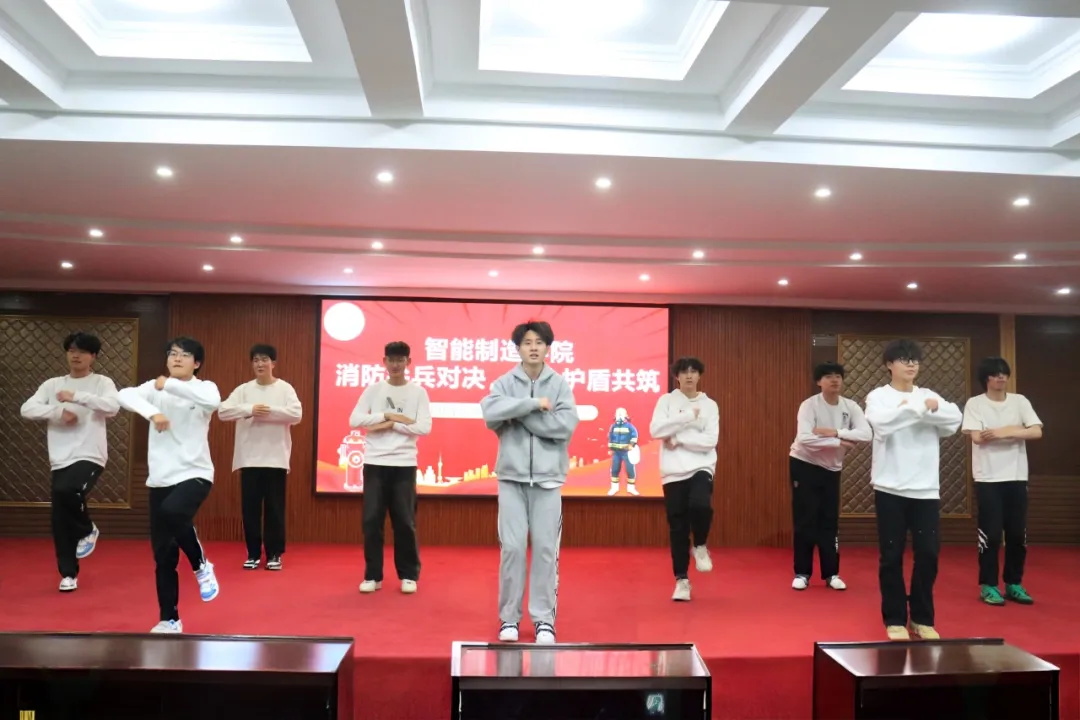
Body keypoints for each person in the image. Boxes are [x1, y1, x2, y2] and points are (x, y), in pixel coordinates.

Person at [480, 321, 579, 644]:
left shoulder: (560, 385)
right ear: (518, 348)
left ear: (547, 347)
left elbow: (563, 427)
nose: (533, 347)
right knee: (512, 549)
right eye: (527, 342)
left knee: (546, 551)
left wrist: (518, 415)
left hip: (548, 481)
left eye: (539, 342)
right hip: (511, 478)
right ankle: (509, 619)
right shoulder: (504, 383)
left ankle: (543, 621)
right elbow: (490, 412)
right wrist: (533, 405)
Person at [117, 336, 221, 634]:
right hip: (160, 478)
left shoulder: (205, 388)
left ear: (196, 363)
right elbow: (123, 395)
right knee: (163, 554)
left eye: (184, 355)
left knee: (174, 511)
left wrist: (170, 385)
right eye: (173, 354)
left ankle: (201, 565)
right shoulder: (154, 388)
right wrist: (153, 412)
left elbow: (213, 403)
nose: (177, 358)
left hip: (195, 472)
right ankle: (170, 618)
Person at [864, 339, 961, 641]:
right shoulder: (878, 396)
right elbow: (882, 424)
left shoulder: (928, 394)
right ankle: (894, 619)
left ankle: (922, 618)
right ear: (889, 365)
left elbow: (954, 420)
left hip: (926, 490)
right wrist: (923, 410)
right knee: (891, 555)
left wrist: (920, 408)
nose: (911, 365)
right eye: (904, 359)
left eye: (915, 360)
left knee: (928, 554)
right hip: (890, 487)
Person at [20, 332, 120, 592]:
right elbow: (26, 409)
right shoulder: (52, 384)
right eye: (72, 350)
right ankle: (68, 574)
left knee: (68, 490)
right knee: (60, 518)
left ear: (93, 356)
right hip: (60, 458)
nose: (76, 356)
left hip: (90, 454)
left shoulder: (102, 382)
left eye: (82, 351)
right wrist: (57, 411)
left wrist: (77, 397)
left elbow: (112, 407)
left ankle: (87, 529)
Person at [349, 341, 432, 595]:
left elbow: (424, 427)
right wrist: (389, 416)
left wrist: (389, 424)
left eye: (400, 360)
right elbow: (355, 420)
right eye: (391, 360)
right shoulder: (374, 390)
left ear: (408, 362)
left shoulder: (418, 392)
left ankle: (408, 575)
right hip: (375, 462)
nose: (396, 365)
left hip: (404, 464)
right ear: (384, 361)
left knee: (405, 521)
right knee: (371, 520)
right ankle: (373, 576)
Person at [961, 357, 1043, 606]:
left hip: (1017, 476)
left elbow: (1036, 431)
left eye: (1004, 373)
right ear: (986, 378)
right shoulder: (975, 403)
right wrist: (1018, 431)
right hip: (988, 477)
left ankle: (1014, 583)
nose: (1001, 377)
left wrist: (1002, 431)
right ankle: (988, 585)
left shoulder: (1020, 401)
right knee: (992, 534)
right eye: (995, 374)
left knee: (1017, 533)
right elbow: (978, 437)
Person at [219, 343, 303, 571]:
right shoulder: (243, 390)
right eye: (256, 360)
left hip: (276, 458)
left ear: (273, 363)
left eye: (264, 359)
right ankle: (253, 553)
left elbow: (296, 414)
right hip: (249, 458)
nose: (260, 364)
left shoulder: (285, 388)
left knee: (275, 509)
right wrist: (249, 410)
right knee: (250, 509)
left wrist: (265, 412)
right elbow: (223, 411)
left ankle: (274, 553)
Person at [788, 361, 871, 591]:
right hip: (804, 464)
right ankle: (802, 572)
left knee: (829, 520)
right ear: (819, 382)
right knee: (806, 519)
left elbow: (866, 434)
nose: (834, 380)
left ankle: (831, 573)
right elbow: (804, 438)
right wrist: (839, 442)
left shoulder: (850, 406)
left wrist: (834, 432)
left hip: (832, 468)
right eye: (828, 376)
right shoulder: (809, 405)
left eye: (838, 376)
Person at [649, 356, 719, 602]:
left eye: (693, 371)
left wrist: (678, 438)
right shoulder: (666, 401)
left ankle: (700, 545)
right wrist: (687, 417)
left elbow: (710, 441)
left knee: (701, 506)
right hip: (672, 471)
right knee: (678, 527)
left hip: (701, 466)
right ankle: (682, 581)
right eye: (684, 372)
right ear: (677, 376)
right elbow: (656, 430)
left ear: (699, 375)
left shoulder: (710, 405)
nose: (689, 376)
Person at [607, 407, 640, 496]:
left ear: (626, 415)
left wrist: (631, 445)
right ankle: (614, 488)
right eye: (618, 414)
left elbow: (634, 436)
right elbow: (610, 437)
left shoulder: (630, 426)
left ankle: (631, 488)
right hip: (616, 453)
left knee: (630, 470)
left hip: (627, 452)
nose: (620, 415)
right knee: (614, 469)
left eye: (622, 413)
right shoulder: (613, 426)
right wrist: (611, 449)